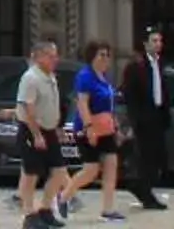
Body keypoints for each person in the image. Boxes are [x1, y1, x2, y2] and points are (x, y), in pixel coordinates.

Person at [17, 40, 74, 229]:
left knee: (59, 172)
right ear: (39, 56)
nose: (55, 59)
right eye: (50, 56)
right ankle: (29, 214)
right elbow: (29, 108)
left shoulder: (50, 76)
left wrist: (57, 129)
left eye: (55, 55)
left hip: (49, 130)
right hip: (33, 130)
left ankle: (45, 208)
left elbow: (51, 105)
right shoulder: (31, 77)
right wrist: (36, 135)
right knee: (32, 173)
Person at [75, 42, 127, 223]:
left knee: (112, 165)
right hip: (89, 128)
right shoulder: (85, 76)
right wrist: (89, 127)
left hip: (107, 128)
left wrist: (116, 128)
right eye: (101, 55)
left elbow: (109, 106)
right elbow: (82, 103)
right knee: (91, 170)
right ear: (92, 57)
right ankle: (63, 196)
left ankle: (108, 208)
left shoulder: (105, 76)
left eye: (107, 55)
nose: (105, 59)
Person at [119, 29, 171, 210]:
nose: (158, 44)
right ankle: (145, 193)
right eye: (154, 41)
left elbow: (163, 89)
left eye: (159, 41)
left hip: (157, 115)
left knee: (156, 157)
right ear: (145, 44)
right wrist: (134, 120)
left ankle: (144, 189)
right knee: (144, 157)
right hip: (143, 116)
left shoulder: (161, 64)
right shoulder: (136, 66)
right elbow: (130, 95)